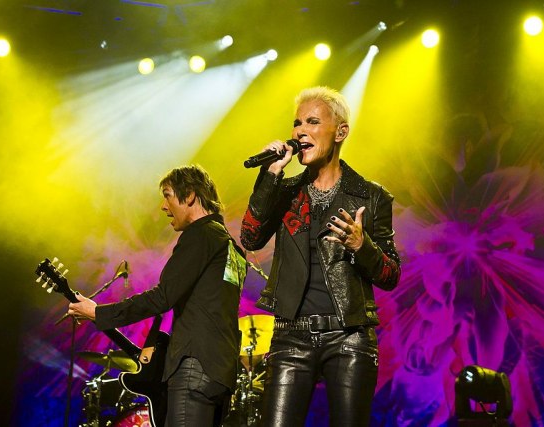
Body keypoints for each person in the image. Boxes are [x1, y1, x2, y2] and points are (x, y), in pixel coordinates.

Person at [240, 86, 401, 426]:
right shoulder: (285, 192)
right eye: (297, 123)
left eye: (312, 122)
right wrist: (270, 174)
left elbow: (391, 275)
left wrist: (361, 246)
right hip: (291, 334)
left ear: (340, 132)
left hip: (349, 336)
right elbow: (250, 237)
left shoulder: (371, 197)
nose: (300, 131)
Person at [68, 164, 247, 427]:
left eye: (167, 195)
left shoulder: (200, 235)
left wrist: (98, 312)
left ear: (190, 196)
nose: (163, 206)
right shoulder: (232, 248)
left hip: (194, 366)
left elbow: (162, 297)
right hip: (220, 373)